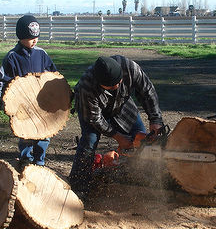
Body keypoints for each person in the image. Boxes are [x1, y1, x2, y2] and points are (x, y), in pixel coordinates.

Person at [69, 55, 164, 199]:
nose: (117, 86)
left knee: (142, 139)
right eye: (111, 86)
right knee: (89, 141)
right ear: (100, 83)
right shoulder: (86, 87)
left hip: (121, 104)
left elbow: (147, 92)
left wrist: (155, 119)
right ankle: (79, 186)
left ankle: (141, 180)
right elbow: (95, 119)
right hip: (91, 112)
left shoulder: (130, 68)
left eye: (118, 83)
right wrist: (118, 137)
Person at [0, 15, 57, 168]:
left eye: (36, 37)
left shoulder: (42, 54)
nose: (34, 40)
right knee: (25, 134)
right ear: (21, 37)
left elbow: (54, 75)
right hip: (22, 105)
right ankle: (26, 160)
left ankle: (40, 160)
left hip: (41, 104)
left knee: (44, 133)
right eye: (30, 38)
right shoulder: (12, 57)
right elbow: (2, 79)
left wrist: (62, 94)